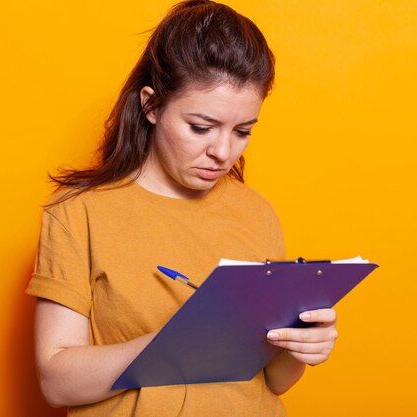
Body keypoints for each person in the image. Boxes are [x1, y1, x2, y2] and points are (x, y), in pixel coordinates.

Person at [26, 1, 339, 415]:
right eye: (201, 127)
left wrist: (303, 344)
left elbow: (275, 381)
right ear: (151, 105)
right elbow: (57, 382)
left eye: (243, 131)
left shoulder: (257, 212)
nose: (223, 151)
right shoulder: (77, 214)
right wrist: (172, 344)